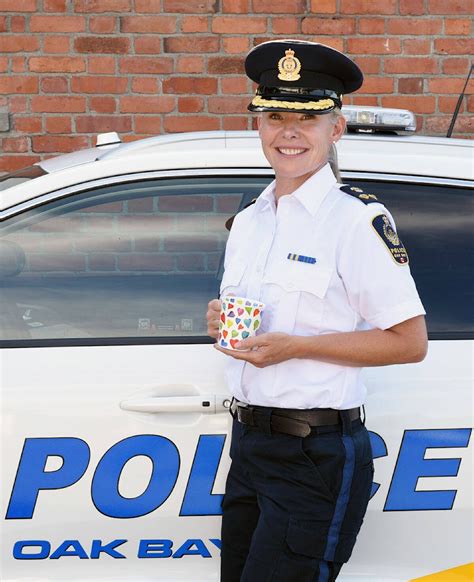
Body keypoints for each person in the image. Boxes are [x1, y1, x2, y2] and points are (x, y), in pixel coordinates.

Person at [206, 39, 428, 582]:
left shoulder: (354, 220)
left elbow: (409, 340)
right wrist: (220, 319)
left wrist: (296, 348)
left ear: (336, 129)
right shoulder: (253, 218)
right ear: (257, 125)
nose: (289, 132)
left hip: (314, 454)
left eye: (308, 119)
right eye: (276, 116)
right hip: (250, 446)